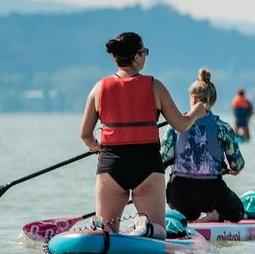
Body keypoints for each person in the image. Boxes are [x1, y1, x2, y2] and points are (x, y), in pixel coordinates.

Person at [79, 32, 205, 238]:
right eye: (144, 52)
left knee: (107, 233)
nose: (145, 56)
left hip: (111, 164)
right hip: (146, 165)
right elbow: (181, 124)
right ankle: (146, 228)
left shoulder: (99, 88)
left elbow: (85, 134)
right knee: (159, 234)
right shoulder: (154, 86)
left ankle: (101, 228)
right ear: (137, 57)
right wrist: (197, 112)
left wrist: (94, 146)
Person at [162, 69, 246, 222]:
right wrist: (232, 169)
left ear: (193, 98)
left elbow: (162, 160)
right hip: (209, 195)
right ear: (212, 100)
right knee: (238, 210)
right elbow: (237, 165)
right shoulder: (223, 127)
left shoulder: (174, 126)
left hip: (179, 195)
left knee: (188, 212)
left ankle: (188, 218)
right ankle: (215, 215)